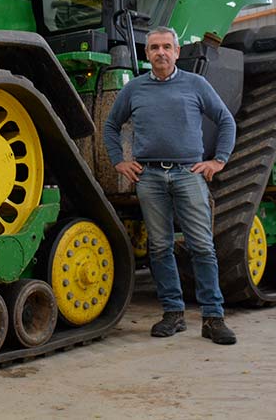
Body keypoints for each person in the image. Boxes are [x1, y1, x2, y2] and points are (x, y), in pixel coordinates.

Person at [103, 26, 238, 345]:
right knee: (160, 247)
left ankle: (213, 318)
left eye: (166, 47)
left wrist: (218, 160)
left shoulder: (196, 84)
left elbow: (225, 120)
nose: (160, 52)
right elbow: (111, 126)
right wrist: (118, 161)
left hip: (188, 174)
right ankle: (173, 315)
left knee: (201, 246)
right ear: (146, 54)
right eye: (154, 48)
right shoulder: (134, 89)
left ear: (177, 52)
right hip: (148, 177)